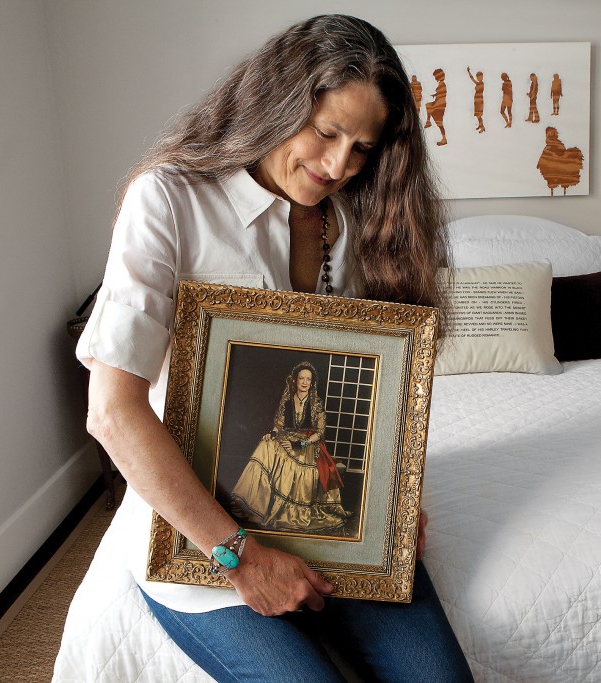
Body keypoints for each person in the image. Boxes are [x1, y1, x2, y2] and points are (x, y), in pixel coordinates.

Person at [76, 13, 471, 682]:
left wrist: (392, 497)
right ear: (278, 101)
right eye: (326, 133)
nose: (338, 165)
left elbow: (367, 391)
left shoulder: (357, 219)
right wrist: (241, 556)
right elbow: (112, 412)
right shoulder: (168, 201)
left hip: (329, 519)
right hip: (200, 541)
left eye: (362, 148)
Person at [230, 361, 349, 534]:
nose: (304, 382)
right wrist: (271, 433)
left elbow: (320, 433)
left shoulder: (316, 403)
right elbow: (278, 426)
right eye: (301, 378)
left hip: (308, 443)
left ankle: (278, 510)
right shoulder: (287, 400)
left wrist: (298, 444)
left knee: (292, 461)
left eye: (308, 379)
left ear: (312, 382)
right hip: (287, 437)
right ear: (295, 380)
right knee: (266, 445)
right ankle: (252, 503)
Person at [424, 68, 448, 145]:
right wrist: (435, 95)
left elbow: (442, 93)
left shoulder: (442, 84)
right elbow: (441, 93)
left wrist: (437, 96)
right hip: (438, 103)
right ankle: (428, 121)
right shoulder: (441, 84)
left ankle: (444, 139)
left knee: (439, 123)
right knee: (428, 106)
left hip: (439, 104)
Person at [466, 67, 485, 133]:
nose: (479, 78)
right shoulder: (478, 83)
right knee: (477, 114)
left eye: (480, 77)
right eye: (478, 77)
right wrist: (468, 72)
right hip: (477, 100)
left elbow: (473, 80)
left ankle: (482, 127)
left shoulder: (481, 83)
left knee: (479, 115)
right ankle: (480, 125)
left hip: (479, 100)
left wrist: (469, 72)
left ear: (482, 77)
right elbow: (472, 79)